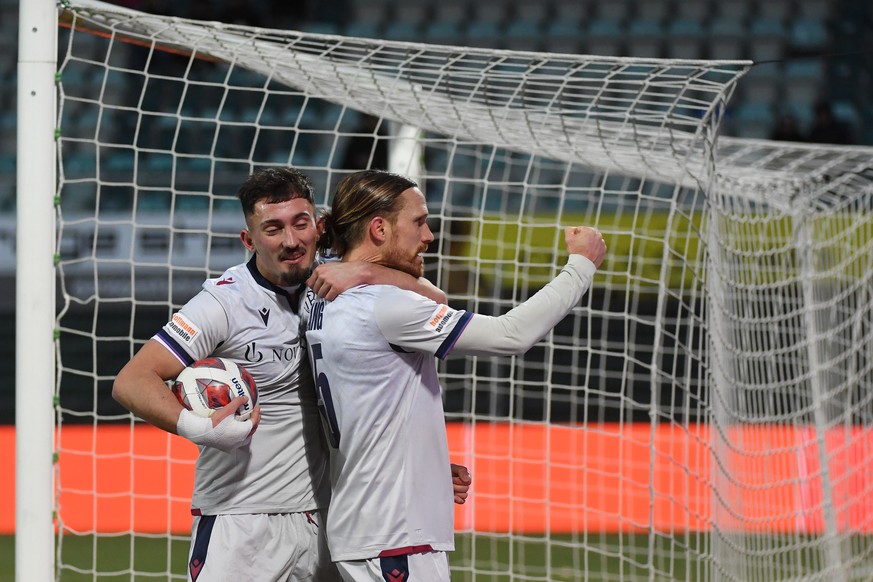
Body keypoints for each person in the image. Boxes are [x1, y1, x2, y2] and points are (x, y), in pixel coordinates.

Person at [112, 167, 468, 582]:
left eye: (301, 224)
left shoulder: (342, 286)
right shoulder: (223, 303)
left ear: (319, 226)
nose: (292, 241)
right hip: (241, 521)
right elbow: (132, 380)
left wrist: (366, 272)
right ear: (249, 239)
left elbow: (435, 299)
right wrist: (202, 427)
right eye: (273, 229)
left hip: (328, 522)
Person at [304, 170, 607, 582]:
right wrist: (581, 267)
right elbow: (510, 335)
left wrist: (420, 464)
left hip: (365, 523)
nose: (428, 236)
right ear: (379, 228)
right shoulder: (387, 307)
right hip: (397, 535)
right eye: (419, 222)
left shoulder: (319, 300)